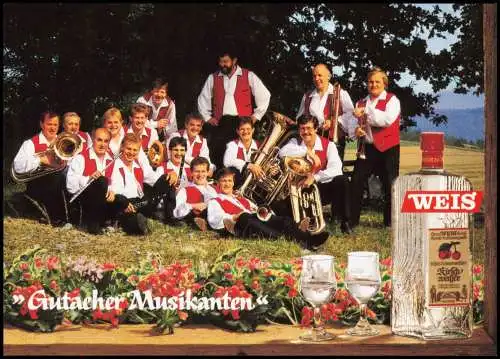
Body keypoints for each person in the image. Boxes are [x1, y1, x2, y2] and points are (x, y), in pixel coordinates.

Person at [206, 168, 329, 250]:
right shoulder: (215, 201)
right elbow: (214, 219)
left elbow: (257, 209)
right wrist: (233, 216)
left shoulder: (242, 198)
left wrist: (265, 212)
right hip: (240, 224)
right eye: (223, 181)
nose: (227, 184)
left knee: (284, 220)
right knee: (246, 217)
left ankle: (308, 239)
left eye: (229, 181)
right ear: (218, 184)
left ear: (233, 183)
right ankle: (288, 241)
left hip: (255, 219)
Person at [197, 50, 271, 170]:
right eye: (220, 61)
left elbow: (265, 95)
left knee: (243, 157)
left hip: (243, 124)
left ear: (234, 60)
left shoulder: (248, 75)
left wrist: (256, 116)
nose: (222, 64)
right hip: (222, 124)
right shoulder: (213, 77)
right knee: (219, 157)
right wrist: (208, 118)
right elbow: (202, 99)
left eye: (225, 61)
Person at [278, 115, 352, 234]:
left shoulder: (329, 145)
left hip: (321, 189)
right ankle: (299, 222)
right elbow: (282, 152)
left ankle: (345, 223)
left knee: (342, 180)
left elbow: (337, 169)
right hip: (298, 189)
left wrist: (315, 177)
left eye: (309, 128)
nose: (306, 132)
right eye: (302, 129)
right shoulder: (295, 142)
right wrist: (307, 152)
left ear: (316, 129)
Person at [349, 67, 401, 228]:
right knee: (356, 182)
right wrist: (355, 131)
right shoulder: (360, 102)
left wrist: (365, 111)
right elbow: (352, 125)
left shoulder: (392, 100)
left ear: (384, 83)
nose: (373, 84)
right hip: (367, 148)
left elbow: (385, 120)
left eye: (377, 81)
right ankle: (352, 222)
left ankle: (390, 222)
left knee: (390, 185)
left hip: (388, 149)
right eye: (370, 82)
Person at [109, 133, 178, 234]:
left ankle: (169, 217)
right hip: (123, 203)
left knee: (167, 178)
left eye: (135, 150)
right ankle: (133, 222)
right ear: (122, 148)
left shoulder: (138, 166)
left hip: (140, 203)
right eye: (128, 149)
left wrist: (171, 174)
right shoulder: (114, 165)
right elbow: (114, 192)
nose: (131, 153)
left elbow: (153, 179)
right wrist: (125, 203)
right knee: (132, 214)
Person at [12, 111, 68, 226]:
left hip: (61, 183)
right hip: (38, 184)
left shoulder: (64, 142)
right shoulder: (30, 144)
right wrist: (41, 160)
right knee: (56, 177)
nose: (52, 128)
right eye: (49, 124)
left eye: (55, 125)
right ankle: (56, 217)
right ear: (41, 124)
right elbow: (18, 167)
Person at [296, 63, 356, 163]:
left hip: (335, 141)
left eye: (320, 75)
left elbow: (352, 115)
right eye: (314, 76)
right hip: (313, 142)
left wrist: (334, 121)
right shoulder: (307, 96)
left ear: (328, 76)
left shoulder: (340, 93)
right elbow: (300, 117)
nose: (316, 78)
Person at [66, 128, 119, 234]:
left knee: (122, 200)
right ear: (92, 140)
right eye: (99, 140)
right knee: (101, 181)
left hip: (105, 200)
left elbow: (116, 181)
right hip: (85, 200)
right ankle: (94, 225)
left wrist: (113, 191)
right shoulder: (80, 158)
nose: (102, 144)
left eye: (106, 141)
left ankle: (110, 221)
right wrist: (88, 178)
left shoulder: (112, 160)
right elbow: (70, 186)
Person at [173, 156, 218, 231]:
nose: (200, 175)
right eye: (197, 171)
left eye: (203, 171)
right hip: (197, 214)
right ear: (191, 173)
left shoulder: (215, 189)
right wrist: (193, 206)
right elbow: (177, 212)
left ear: (207, 173)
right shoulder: (185, 190)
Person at [222, 116, 263, 188]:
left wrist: (270, 170)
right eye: (242, 129)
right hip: (236, 182)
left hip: (255, 184)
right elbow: (227, 161)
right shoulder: (233, 144)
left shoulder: (260, 146)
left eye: (248, 129)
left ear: (253, 130)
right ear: (237, 131)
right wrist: (248, 165)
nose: (245, 132)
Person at [136, 78, 178, 142]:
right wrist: (156, 124)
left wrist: (173, 142)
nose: (159, 95)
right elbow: (137, 122)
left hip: (159, 138)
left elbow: (172, 127)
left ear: (166, 93)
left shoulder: (170, 105)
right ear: (152, 91)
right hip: (140, 136)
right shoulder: (142, 101)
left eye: (162, 92)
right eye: (156, 91)